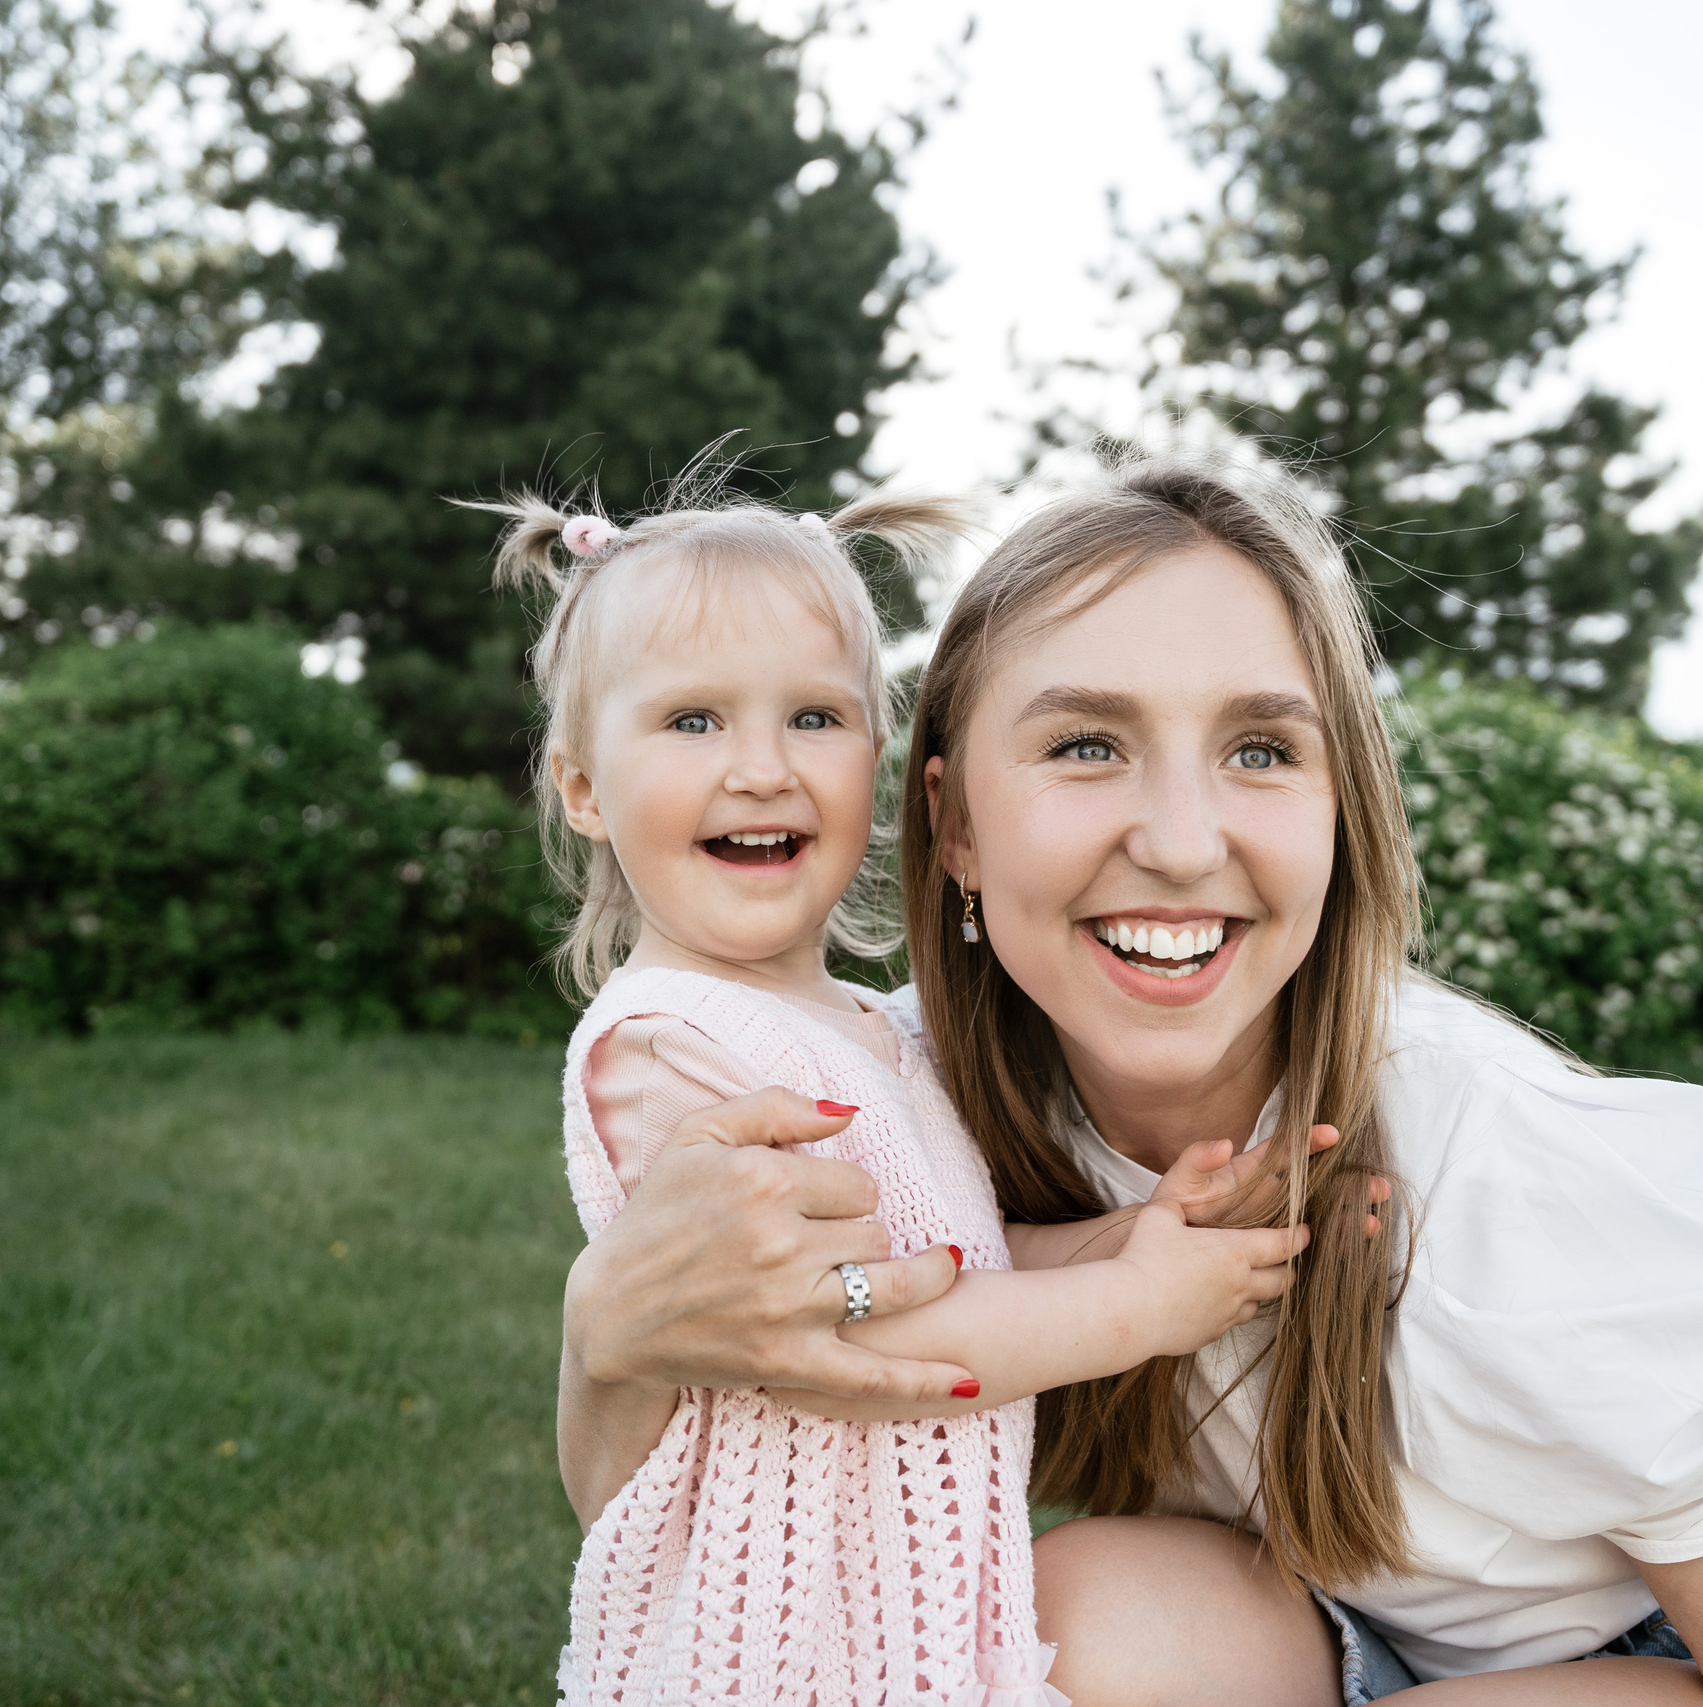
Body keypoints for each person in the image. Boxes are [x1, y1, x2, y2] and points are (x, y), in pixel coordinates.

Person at [558, 463, 1703, 1705]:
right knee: (1059, 1624)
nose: (1178, 837)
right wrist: (610, 1329)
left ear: (1343, 810)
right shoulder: (913, 1081)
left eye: (1261, 748)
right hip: (1310, 1621)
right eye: (1086, 743)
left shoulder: (1507, 1167)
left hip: (1630, 1667)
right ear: (954, 823)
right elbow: (681, 1479)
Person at [485, 481, 1348, 1706]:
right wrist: (1141, 1304)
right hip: (763, 1645)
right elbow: (843, 1339)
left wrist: (1127, 1235)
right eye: (691, 721)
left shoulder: (872, 1030)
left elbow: (941, 1263)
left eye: (815, 717)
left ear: (879, 760)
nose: (761, 769)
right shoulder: (670, 1045)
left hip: (905, 1624)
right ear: (581, 787)